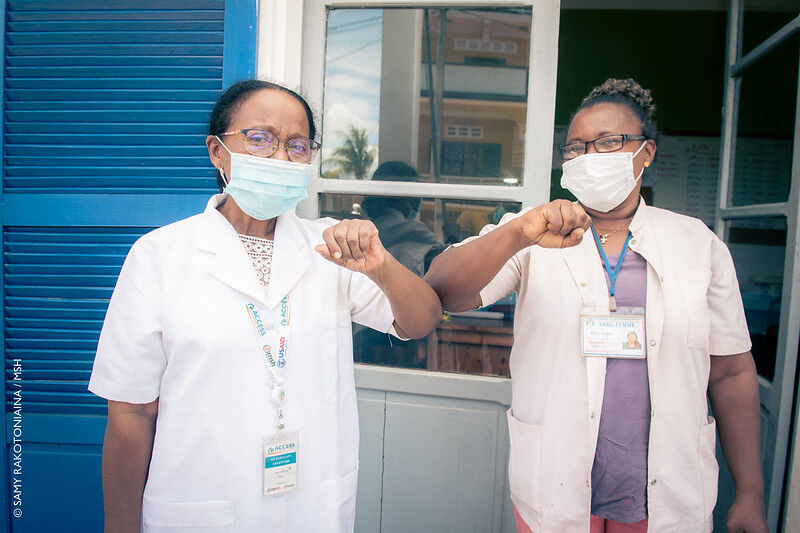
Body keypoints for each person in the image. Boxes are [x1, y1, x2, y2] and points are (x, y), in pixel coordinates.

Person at [89, 79, 441, 533]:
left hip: (312, 505)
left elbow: (421, 320)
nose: (280, 157)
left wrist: (381, 266)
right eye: (260, 139)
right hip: (199, 507)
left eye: (297, 146)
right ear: (218, 152)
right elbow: (130, 413)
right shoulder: (159, 256)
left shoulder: (331, 247)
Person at [425, 78, 767, 533]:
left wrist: (749, 493)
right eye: (575, 148)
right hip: (557, 484)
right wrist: (517, 234)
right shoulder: (531, 234)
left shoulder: (696, 244)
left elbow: (731, 371)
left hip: (664, 491)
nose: (589, 157)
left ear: (646, 152)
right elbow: (444, 291)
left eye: (608, 143)